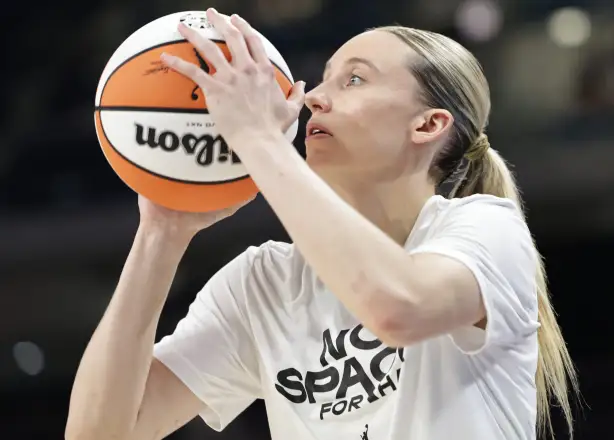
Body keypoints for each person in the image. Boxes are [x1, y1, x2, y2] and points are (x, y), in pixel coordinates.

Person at [65, 9, 577, 440]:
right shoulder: (263, 284)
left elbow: (398, 308)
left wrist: (258, 139)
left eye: (353, 80)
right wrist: (161, 232)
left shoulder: (486, 228)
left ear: (427, 124)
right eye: (325, 78)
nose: (313, 97)